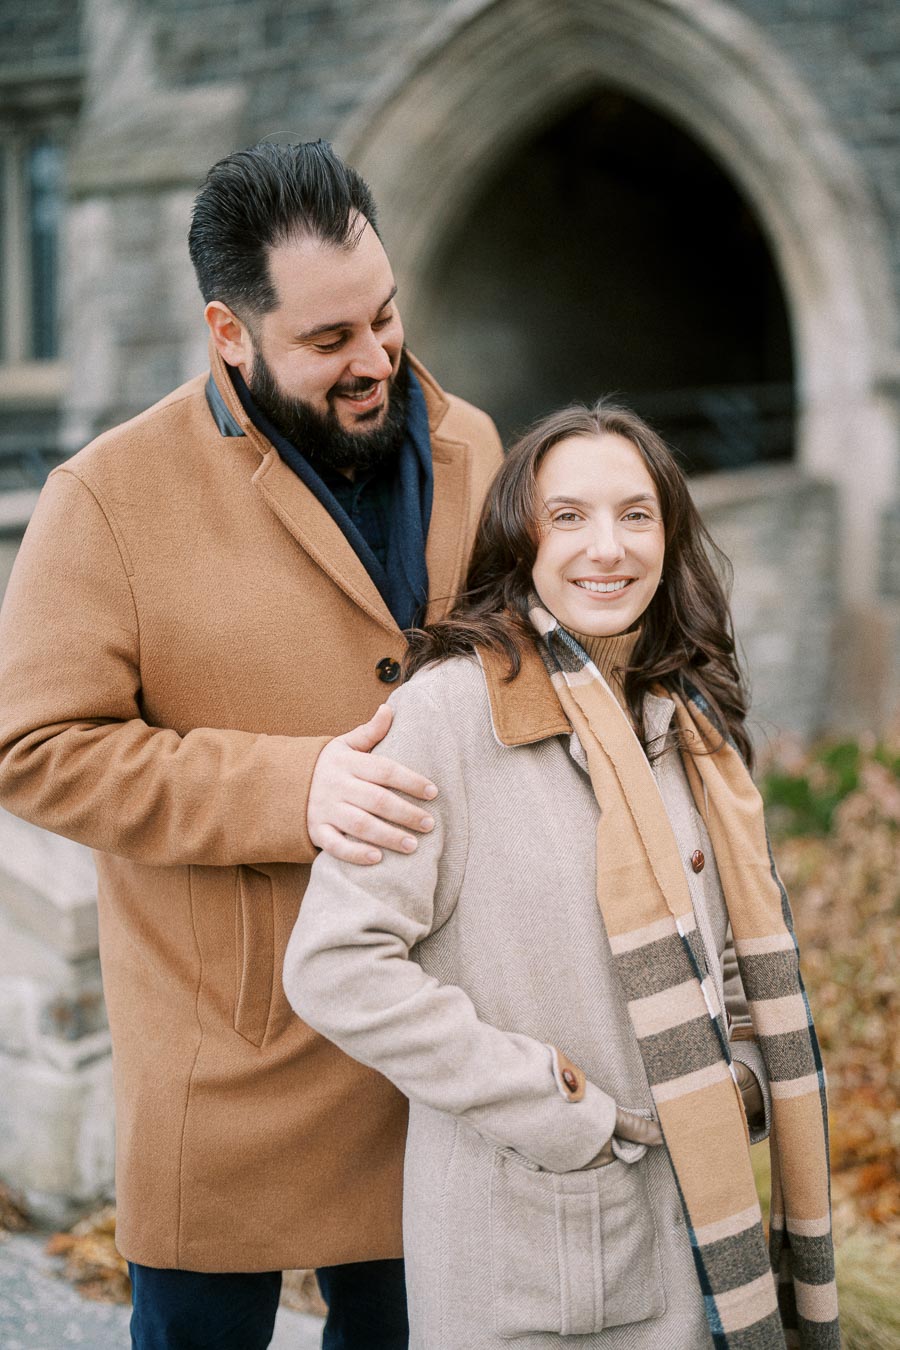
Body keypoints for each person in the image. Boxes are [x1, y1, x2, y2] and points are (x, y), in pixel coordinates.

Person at [0, 141, 502, 1348]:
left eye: (384, 319)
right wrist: (296, 784)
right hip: (232, 1052)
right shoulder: (104, 496)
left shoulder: (477, 445)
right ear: (230, 333)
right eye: (328, 342)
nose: (377, 361)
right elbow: (34, 747)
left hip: (442, 1035)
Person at [284, 402, 838, 1349]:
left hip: (695, 1245)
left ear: (669, 534)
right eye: (568, 516)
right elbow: (335, 966)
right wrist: (558, 1107)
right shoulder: (452, 713)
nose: (606, 549)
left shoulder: (684, 719)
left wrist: (745, 1075)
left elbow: (730, 947)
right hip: (527, 1259)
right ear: (521, 539)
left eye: (635, 514)